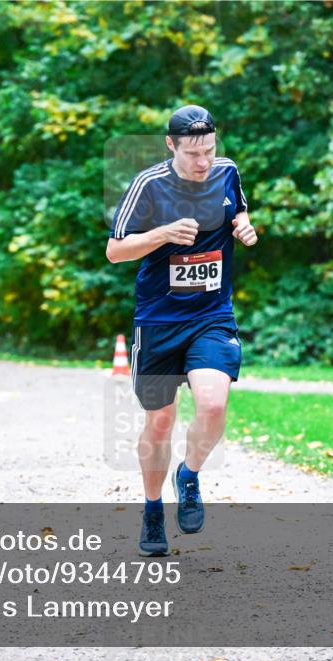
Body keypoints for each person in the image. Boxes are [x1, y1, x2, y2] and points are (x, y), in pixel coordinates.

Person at [106, 104, 258, 556]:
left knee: (213, 404)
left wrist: (244, 226)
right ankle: (153, 510)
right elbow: (115, 250)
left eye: (209, 150)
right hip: (158, 321)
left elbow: (239, 211)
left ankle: (188, 475)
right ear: (170, 145)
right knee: (160, 421)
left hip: (211, 315)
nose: (203, 161)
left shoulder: (227, 172)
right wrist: (164, 233)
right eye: (193, 153)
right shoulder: (149, 185)